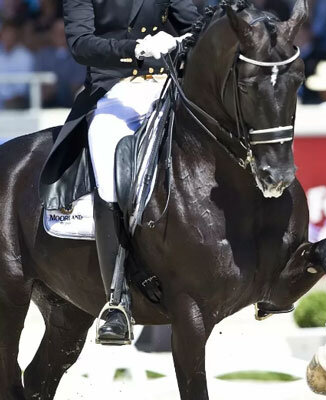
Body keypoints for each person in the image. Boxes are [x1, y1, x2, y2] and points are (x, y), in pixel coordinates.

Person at [38, 0, 199, 344]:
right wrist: (136, 48)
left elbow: (194, 22)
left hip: (165, 81)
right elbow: (81, 44)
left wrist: (184, 41)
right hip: (113, 88)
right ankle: (116, 301)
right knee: (104, 140)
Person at [34, 20, 86, 107]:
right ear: (51, 34)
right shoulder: (43, 55)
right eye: (56, 32)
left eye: (63, 32)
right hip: (46, 104)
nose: (60, 35)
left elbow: (77, 84)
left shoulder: (79, 55)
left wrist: (57, 88)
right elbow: (38, 80)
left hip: (71, 104)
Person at [0, 19, 34, 109]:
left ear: (16, 35)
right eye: (5, 33)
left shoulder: (25, 56)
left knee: (12, 104)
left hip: (17, 102)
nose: (8, 37)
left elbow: (22, 89)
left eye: (11, 34)